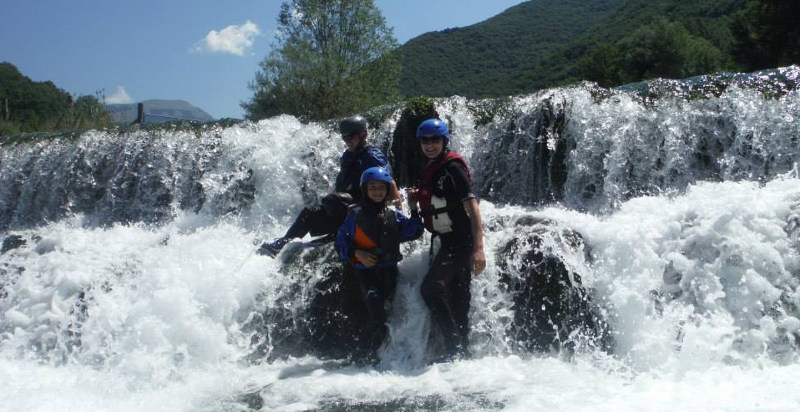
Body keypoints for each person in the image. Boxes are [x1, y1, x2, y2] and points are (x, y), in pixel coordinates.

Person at [258, 116, 399, 257]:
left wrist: (396, 213)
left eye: (350, 137)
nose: (347, 141)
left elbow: (390, 184)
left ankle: (340, 231)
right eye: (344, 138)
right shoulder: (348, 155)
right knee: (310, 212)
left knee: (335, 200)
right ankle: (281, 245)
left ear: (363, 135)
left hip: (365, 211)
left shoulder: (372, 156)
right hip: (346, 209)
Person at [407, 118, 486, 361]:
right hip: (449, 241)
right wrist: (413, 204)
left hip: (461, 243)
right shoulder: (433, 168)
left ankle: (454, 348)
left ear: (444, 141)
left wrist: (479, 248)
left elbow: (473, 209)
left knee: (431, 290)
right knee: (458, 298)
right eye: (425, 141)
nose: (430, 145)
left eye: (435, 140)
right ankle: (463, 354)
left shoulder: (453, 169)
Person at [335, 166, 424, 364]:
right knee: (377, 314)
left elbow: (415, 231)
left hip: (389, 271)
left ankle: (385, 357)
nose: (377, 191)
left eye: (381, 188)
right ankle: (363, 359)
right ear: (365, 190)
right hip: (366, 272)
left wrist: (414, 207)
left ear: (387, 190)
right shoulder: (355, 215)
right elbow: (340, 242)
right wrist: (356, 252)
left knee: (388, 314)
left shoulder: (392, 214)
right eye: (372, 187)